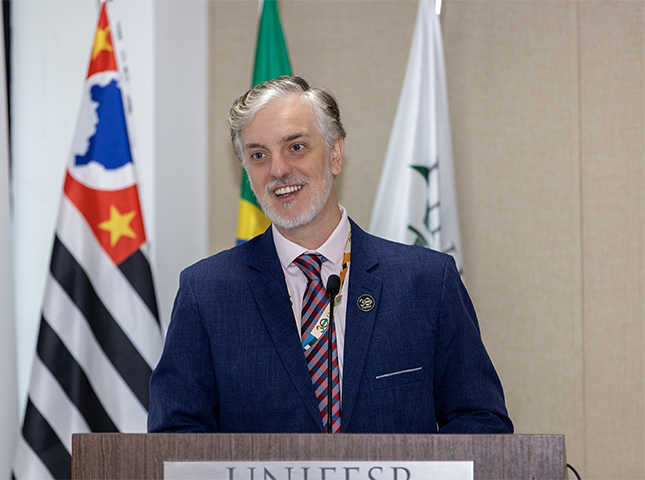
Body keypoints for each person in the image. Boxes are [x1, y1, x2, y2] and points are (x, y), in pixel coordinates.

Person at [148, 75, 513, 434]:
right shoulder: (206, 291)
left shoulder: (428, 281)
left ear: (335, 153)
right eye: (258, 155)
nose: (278, 170)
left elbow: (480, 422)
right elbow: (176, 437)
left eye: (296, 147)